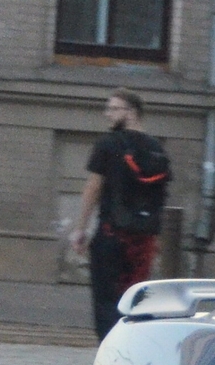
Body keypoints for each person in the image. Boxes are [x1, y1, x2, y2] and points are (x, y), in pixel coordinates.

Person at [68, 88, 171, 338]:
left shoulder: (109, 144)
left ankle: (109, 354)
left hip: (112, 233)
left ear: (131, 112)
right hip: (144, 238)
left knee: (106, 300)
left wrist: (81, 228)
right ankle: (133, 348)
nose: (108, 115)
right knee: (135, 298)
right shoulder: (156, 148)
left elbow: (93, 187)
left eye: (114, 109)